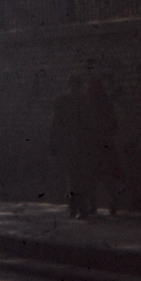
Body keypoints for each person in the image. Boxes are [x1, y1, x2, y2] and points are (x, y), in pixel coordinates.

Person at [50, 74, 94, 218]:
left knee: (72, 176)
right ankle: (78, 207)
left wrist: (53, 142)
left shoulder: (62, 101)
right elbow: (90, 124)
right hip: (83, 145)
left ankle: (75, 207)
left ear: (69, 84)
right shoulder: (86, 101)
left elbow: (55, 124)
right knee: (81, 177)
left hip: (67, 144)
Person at [86, 73, 124, 216]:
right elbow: (114, 124)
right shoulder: (105, 102)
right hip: (105, 145)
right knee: (108, 177)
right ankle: (112, 203)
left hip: (94, 146)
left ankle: (94, 206)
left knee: (92, 177)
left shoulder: (88, 103)